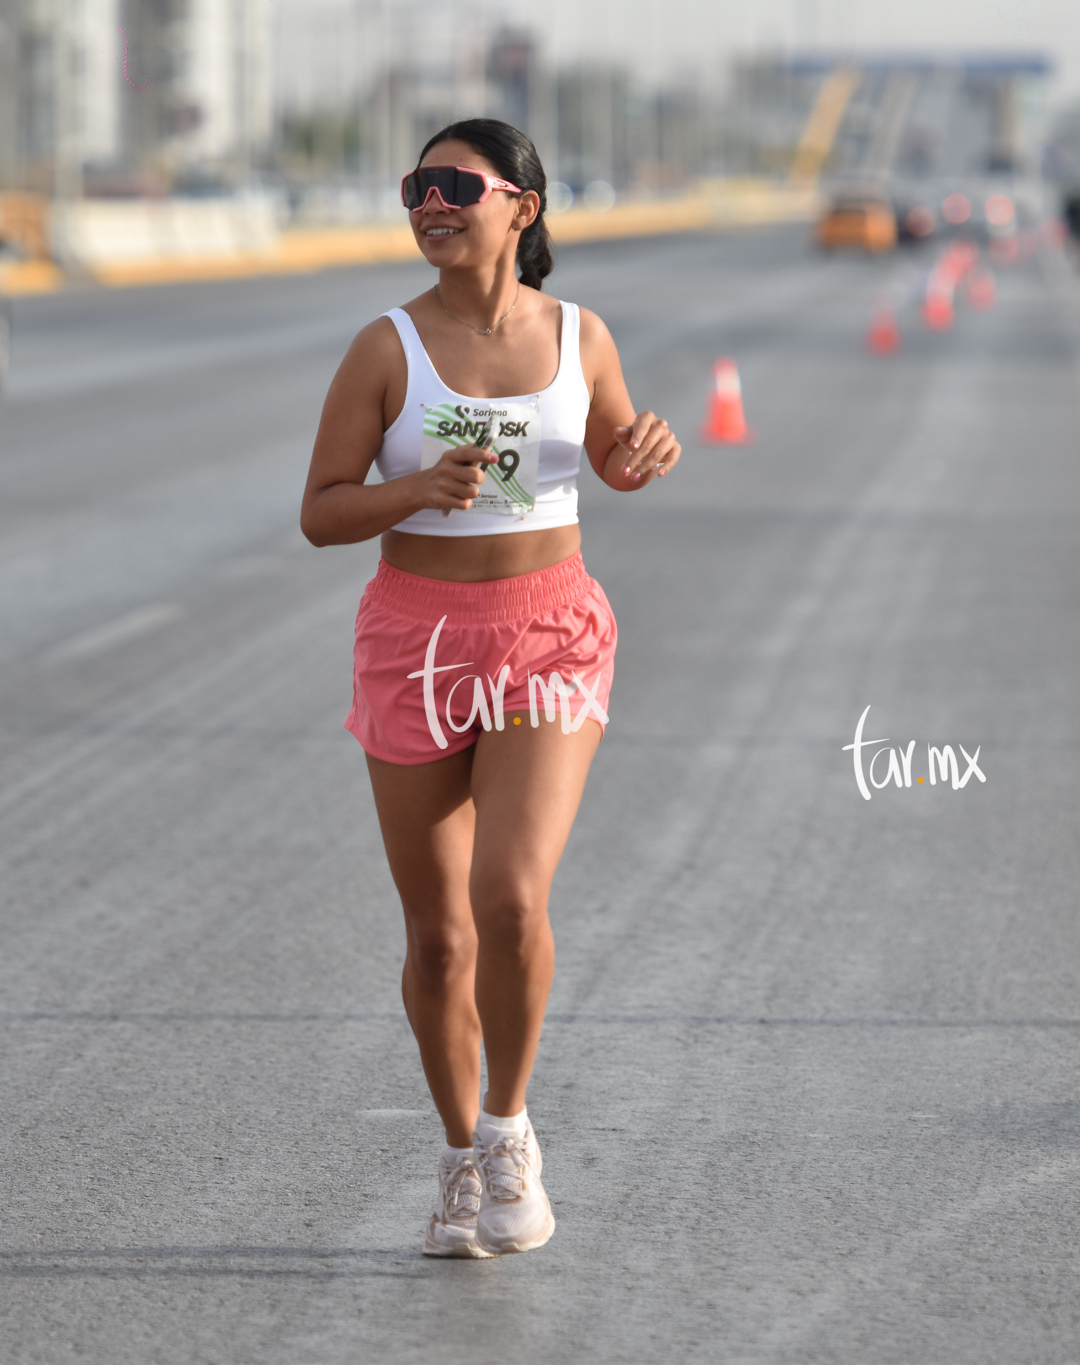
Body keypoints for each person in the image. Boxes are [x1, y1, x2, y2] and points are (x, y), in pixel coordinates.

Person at [300, 118, 680, 1258]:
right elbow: (321, 510)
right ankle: (460, 1151)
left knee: (510, 895)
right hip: (413, 640)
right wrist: (412, 490)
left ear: (522, 205)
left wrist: (639, 456)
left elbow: (610, 456)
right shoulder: (384, 348)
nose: (431, 202)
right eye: (417, 185)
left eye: (457, 185)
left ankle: (511, 1132)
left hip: (547, 631)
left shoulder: (579, 335)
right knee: (439, 939)